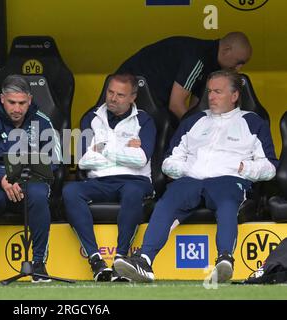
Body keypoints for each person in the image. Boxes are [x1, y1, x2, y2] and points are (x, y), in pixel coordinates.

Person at [113, 70, 278, 283]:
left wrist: (242, 168)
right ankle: (144, 261)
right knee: (168, 201)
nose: (211, 97)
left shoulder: (253, 122)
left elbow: (270, 167)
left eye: (218, 92)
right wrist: (187, 169)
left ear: (235, 96)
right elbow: (169, 160)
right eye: (209, 91)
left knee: (227, 201)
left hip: (229, 178)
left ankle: (225, 260)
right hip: (191, 179)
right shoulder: (194, 121)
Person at [0, 74, 61, 284]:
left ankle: (38, 264)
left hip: (29, 181)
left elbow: (55, 158)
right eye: (11, 102)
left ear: (29, 100)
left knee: (38, 194)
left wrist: (20, 171)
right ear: (2, 99)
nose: (17, 108)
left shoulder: (42, 121)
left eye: (22, 103)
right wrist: (2, 177)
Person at [63, 73, 156, 282]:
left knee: (132, 192)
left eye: (120, 95)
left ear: (133, 97)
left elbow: (140, 159)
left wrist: (102, 148)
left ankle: (121, 259)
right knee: (70, 190)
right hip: (99, 181)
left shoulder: (145, 120)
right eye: (110, 92)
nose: (113, 98)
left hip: (135, 181)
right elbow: (84, 161)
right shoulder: (91, 117)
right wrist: (124, 150)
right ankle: (96, 261)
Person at [116, 32, 252, 123]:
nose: (239, 68)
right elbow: (176, 105)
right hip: (129, 90)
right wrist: (200, 130)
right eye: (239, 62)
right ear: (226, 50)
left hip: (155, 99)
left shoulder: (212, 66)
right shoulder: (198, 58)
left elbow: (194, 110)